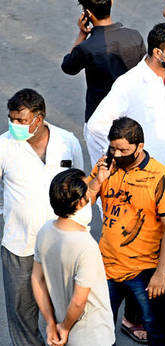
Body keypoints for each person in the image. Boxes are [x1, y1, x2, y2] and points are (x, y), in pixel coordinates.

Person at [84, 22, 165, 337]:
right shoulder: (128, 83)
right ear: (157, 52)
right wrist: (115, 164)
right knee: (148, 244)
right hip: (145, 179)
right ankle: (133, 319)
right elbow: (96, 127)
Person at [85, 117, 165, 346]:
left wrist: (161, 272)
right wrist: (98, 181)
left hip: (144, 270)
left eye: (123, 150)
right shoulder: (104, 165)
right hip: (106, 266)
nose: (117, 155)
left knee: (156, 333)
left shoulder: (162, 178)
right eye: (113, 148)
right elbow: (81, 205)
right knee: (99, 331)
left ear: (140, 146)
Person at [0, 89, 83, 346]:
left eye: (21, 120)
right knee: (22, 315)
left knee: (64, 312)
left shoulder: (67, 141)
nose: (15, 126)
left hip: (61, 245)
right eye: (12, 119)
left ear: (39, 117)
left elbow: (81, 188)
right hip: (20, 246)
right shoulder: (4, 146)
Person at [31, 169, 115, 346]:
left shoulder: (45, 231)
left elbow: (37, 279)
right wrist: (65, 328)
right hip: (94, 336)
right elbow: (78, 302)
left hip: (60, 330)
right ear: (79, 204)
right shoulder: (86, 246)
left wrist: (51, 323)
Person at [61, 0, 146, 122]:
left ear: (87, 13)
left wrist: (82, 35)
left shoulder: (86, 47)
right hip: (132, 113)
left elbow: (68, 67)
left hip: (100, 117)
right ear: (111, 3)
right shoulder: (134, 35)